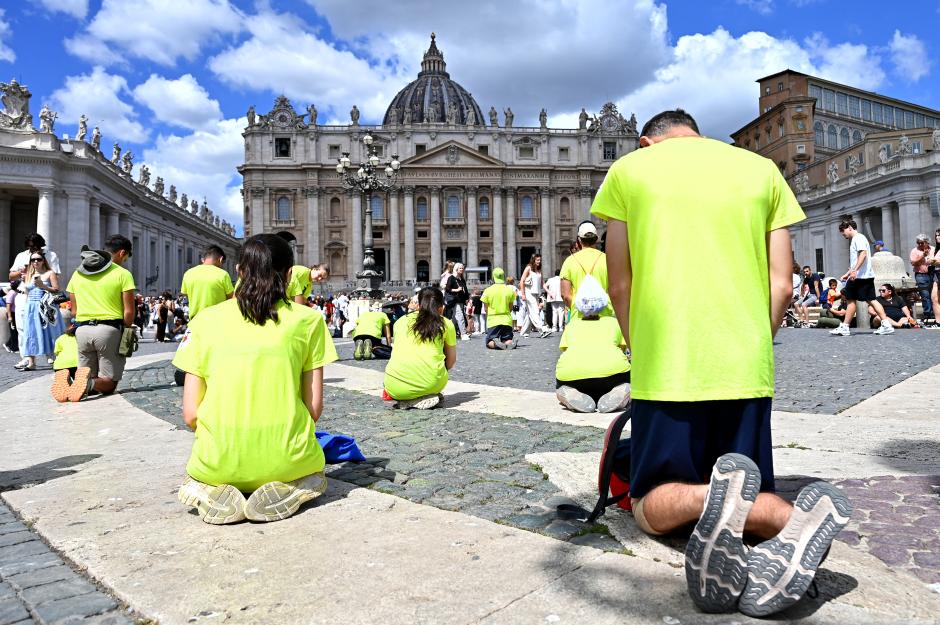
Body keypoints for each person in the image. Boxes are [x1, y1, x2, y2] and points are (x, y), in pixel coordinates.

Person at [593, 109, 851, 617]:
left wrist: (636, 344)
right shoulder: (762, 171)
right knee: (753, 480)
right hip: (744, 363)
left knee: (649, 504)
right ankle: (794, 521)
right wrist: (756, 339)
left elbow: (618, 281)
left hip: (666, 359)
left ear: (647, 142)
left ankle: (719, 498)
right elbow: (783, 283)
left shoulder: (629, 170)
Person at [175, 234, 338, 524]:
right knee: (315, 474)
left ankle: (206, 486)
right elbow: (314, 409)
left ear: (237, 272)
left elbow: (190, 414)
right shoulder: (309, 321)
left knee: (207, 469)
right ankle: (295, 485)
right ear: (290, 275)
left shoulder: (202, 321)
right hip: (288, 460)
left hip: (215, 462)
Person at [65, 236, 136, 402]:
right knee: (109, 383)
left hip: (82, 331)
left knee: (90, 376)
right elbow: (129, 312)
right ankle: (85, 384)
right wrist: (124, 331)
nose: (125, 261)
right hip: (108, 331)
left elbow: (74, 311)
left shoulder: (78, 273)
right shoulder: (123, 274)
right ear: (122, 253)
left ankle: (78, 383)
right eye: (127, 257)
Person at [555, 288, 630, 413]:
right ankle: (621, 390)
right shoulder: (614, 323)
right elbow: (622, 349)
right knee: (625, 380)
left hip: (573, 379)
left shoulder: (572, 325)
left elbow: (565, 349)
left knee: (564, 385)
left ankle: (569, 392)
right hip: (613, 377)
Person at [383, 287, 456, 409]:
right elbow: (451, 361)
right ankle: (424, 393)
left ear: (419, 304)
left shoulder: (399, 322)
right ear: (441, 307)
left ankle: (407, 396)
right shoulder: (445, 323)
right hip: (430, 383)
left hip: (393, 386)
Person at [829, 219, 893, 336]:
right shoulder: (860, 238)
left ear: (849, 227)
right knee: (872, 300)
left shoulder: (858, 238)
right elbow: (858, 259)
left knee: (850, 299)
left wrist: (854, 271)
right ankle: (886, 324)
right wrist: (848, 273)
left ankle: (845, 327)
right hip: (864, 275)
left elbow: (863, 254)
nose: (843, 235)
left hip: (859, 277)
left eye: (843, 232)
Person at [17, 252, 65, 371]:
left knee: (50, 333)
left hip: (45, 307)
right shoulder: (29, 274)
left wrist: (43, 286)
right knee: (30, 333)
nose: (35, 262)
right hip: (31, 307)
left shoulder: (50, 273)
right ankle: (31, 362)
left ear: (43, 260)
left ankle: (56, 359)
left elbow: (57, 290)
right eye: (32, 260)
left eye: (38, 259)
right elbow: (28, 293)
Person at [560, 221, 611, 321]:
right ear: (596, 238)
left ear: (579, 240)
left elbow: (565, 295)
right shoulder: (607, 260)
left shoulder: (570, 261)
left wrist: (579, 308)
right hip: (605, 317)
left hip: (579, 317)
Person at [181, 245, 235, 320]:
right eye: (223, 263)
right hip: (216, 321)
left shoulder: (188, 273)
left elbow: (185, 294)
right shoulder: (223, 274)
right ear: (221, 259)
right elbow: (232, 299)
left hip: (195, 321)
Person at [480, 268, 517, 350]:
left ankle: (496, 344)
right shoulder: (509, 290)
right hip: (506, 320)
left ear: (493, 277)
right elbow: (511, 308)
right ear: (503, 276)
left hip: (493, 320)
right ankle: (510, 343)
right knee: (507, 339)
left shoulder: (487, 291)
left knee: (489, 342)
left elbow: (486, 309)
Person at [518, 254, 550, 338]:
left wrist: (549, 292)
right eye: (537, 260)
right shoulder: (528, 268)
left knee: (531, 314)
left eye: (540, 260)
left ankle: (523, 332)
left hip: (536, 293)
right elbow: (521, 281)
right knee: (535, 311)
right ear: (533, 260)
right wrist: (523, 294)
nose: (539, 262)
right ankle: (542, 330)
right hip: (529, 293)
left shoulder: (539, 270)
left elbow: (543, 284)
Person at [50, 323, 79, 401]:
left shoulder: (60, 338)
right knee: (79, 381)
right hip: (76, 364)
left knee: (64, 379)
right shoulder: (80, 337)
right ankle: (76, 387)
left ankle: (67, 384)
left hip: (59, 365)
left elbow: (57, 353)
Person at [909, 234, 934, 320]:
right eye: (918, 243)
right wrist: (923, 256)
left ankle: (935, 313)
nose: (920, 245)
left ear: (927, 242)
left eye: (922, 243)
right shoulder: (914, 251)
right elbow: (913, 263)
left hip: (933, 274)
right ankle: (928, 314)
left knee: (934, 295)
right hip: (921, 275)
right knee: (925, 295)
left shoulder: (934, 249)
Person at [444, 263, 470, 339]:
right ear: (456, 269)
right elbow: (447, 289)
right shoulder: (451, 278)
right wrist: (457, 290)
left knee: (455, 318)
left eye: (462, 268)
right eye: (460, 268)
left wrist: (467, 298)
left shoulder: (462, 279)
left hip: (461, 300)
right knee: (460, 316)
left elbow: (466, 289)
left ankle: (448, 332)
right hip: (455, 300)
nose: (462, 269)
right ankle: (463, 334)